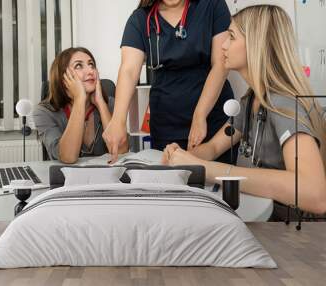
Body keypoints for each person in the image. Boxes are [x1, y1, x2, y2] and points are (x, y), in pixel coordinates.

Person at [163, 5, 326, 215]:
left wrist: (209, 170)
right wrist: (183, 157)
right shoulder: (251, 100)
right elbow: (213, 148)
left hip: (286, 234)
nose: (223, 45)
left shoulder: (284, 104)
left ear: (256, 45)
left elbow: (315, 194)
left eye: (231, 36)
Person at [103, 0, 235, 163]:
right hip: (166, 124)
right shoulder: (140, 19)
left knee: (216, 183)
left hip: (211, 119)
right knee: (170, 182)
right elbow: (129, 71)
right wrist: (118, 120)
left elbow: (221, 64)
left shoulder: (211, 5)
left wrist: (200, 115)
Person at [33, 47, 129, 163]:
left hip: (106, 178)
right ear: (63, 77)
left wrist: (101, 104)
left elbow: (121, 152)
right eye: (79, 66)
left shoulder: (110, 104)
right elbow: (68, 157)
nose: (90, 71)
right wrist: (79, 99)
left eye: (91, 65)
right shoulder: (44, 112)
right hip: (65, 179)